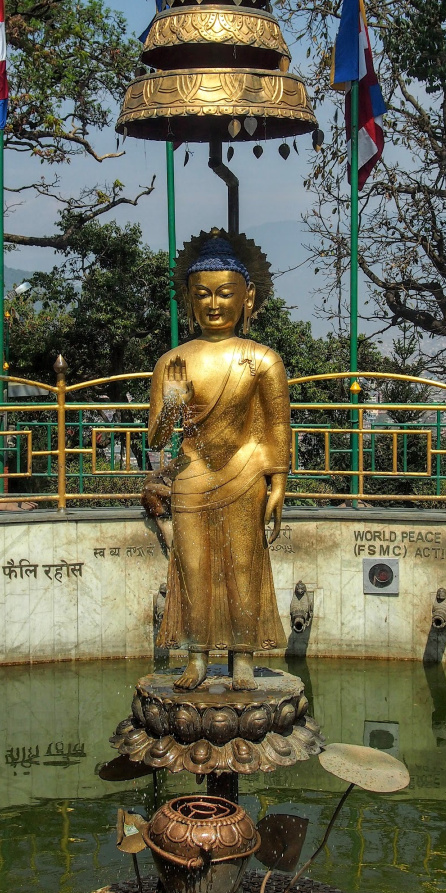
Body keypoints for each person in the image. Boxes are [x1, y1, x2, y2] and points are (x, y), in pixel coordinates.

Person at [147, 229, 290, 691]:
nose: (214, 304)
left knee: (243, 566)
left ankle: (243, 658)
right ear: (189, 300)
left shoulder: (263, 359)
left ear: (247, 298)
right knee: (193, 568)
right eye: (203, 294)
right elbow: (159, 437)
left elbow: (275, 428)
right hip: (192, 474)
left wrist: (279, 484)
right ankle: (196, 656)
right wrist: (171, 403)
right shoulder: (173, 361)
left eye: (225, 293)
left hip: (246, 472)